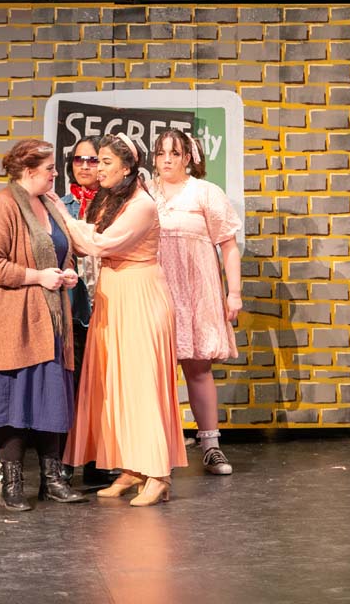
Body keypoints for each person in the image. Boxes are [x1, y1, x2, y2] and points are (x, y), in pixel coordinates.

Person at [54, 133, 187, 507]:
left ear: (127, 168)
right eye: (97, 161)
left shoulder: (141, 204)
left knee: (141, 385)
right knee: (116, 383)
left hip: (140, 295)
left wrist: (58, 209)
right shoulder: (112, 198)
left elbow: (98, 244)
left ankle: (157, 474)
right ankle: (132, 468)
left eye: (106, 162)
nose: (98, 168)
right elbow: (86, 242)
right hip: (114, 296)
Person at [0, 139, 86, 511]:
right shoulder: (2, 205)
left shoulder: (49, 204)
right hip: (10, 318)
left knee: (50, 398)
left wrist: (66, 273)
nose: (54, 173)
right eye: (49, 168)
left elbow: (60, 251)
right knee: (12, 402)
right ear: (29, 171)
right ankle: (13, 483)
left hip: (48, 317)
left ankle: (52, 479)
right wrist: (37, 277)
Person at [148, 130, 243, 475]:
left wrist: (234, 292)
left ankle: (210, 447)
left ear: (187, 158)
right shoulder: (145, 193)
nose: (167, 160)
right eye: (161, 153)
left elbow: (228, 245)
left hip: (196, 290)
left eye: (174, 153)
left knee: (198, 368)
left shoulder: (205, 192)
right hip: (156, 290)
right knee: (156, 371)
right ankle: (156, 449)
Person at [59, 138, 114, 487]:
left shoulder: (116, 204)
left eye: (92, 160)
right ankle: (67, 459)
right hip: (76, 308)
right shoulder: (61, 206)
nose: (85, 165)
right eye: (78, 159)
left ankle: (99, 459)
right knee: (74, 385)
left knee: (105, 388)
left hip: (109, 305)